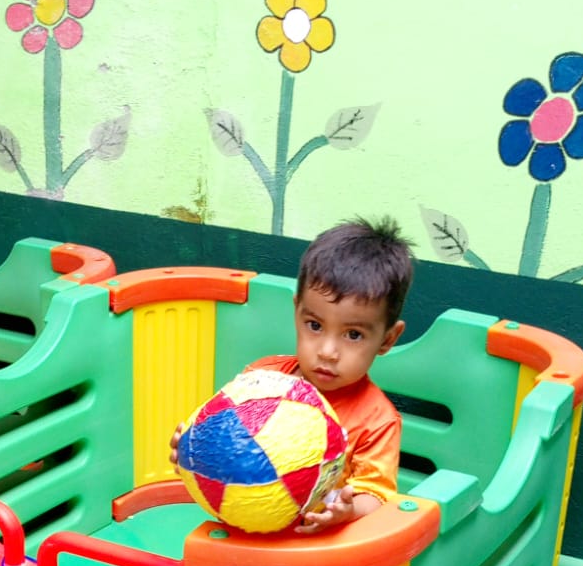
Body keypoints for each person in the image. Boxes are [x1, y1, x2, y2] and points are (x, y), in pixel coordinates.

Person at [173, 216, 413, 534]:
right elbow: (230, 447)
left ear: (387, 339)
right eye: (315, 325)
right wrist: (194, 453)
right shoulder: (262, 378)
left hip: (313, 551)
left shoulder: (378, 421)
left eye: (353, 334)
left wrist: (348, 510)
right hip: (240, 536)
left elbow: (376, 495)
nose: (327, 351)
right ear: (297, 310)